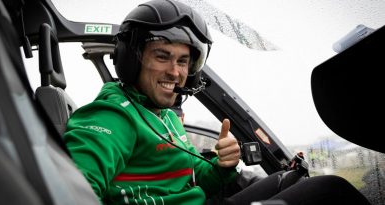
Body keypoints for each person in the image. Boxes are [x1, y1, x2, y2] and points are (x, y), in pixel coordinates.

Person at [63, 0, 371, 204]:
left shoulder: (165, 116)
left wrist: (223, 165)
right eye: (163, 56)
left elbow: (198, 180)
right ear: (131, 60)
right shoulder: (112, 116)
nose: (176, 72)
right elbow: (68, 191)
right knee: (328, 192)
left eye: (184, 61)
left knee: (287, 179)